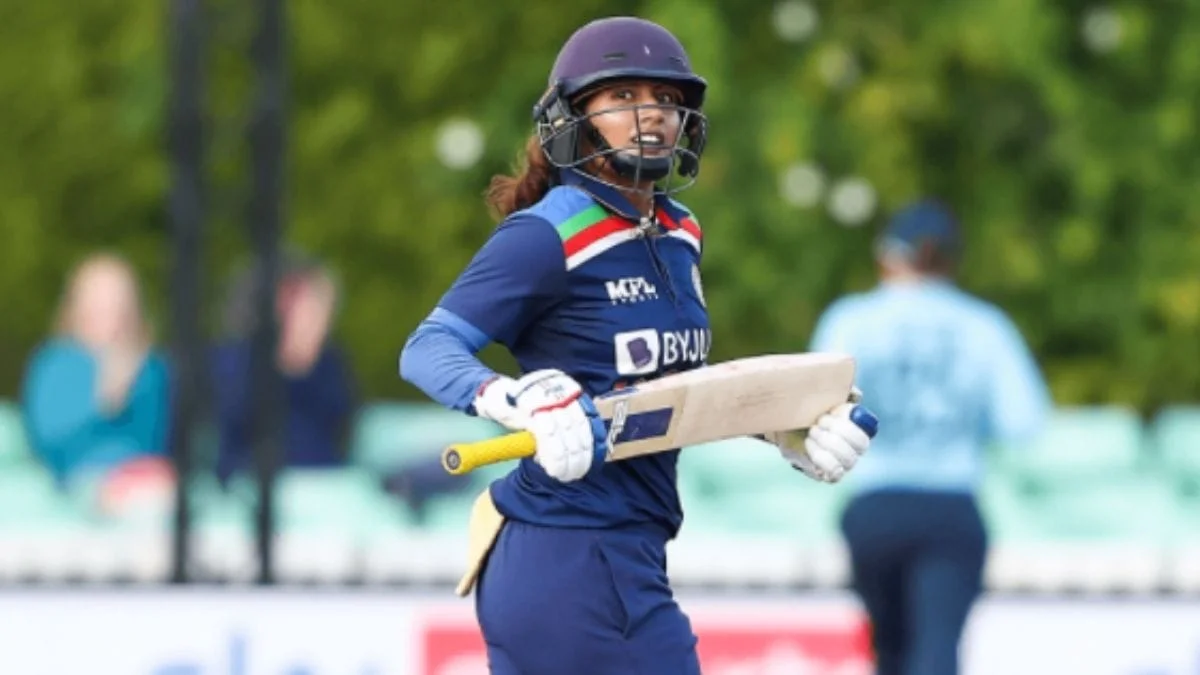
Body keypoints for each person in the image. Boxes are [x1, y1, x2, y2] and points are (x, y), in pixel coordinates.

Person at [400, 16, 878, 675]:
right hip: (565, 553)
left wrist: (782, 425)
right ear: (573, 117)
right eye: (623, 96)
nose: (651, 113)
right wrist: (513, 399)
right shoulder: (546, 234)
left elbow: (669, 385)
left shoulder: (681, 232)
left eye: (667, 98)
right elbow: (427, 346)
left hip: (627, 553)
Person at [808, 200, 1052, 675]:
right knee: (937, 652)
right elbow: (1022, 423)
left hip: (874, 506)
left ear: (887, 255)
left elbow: (811, 410)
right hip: (950, 507)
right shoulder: (984, 326)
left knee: (890, 654)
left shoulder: (851, 319)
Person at [20, 252, 172, 492]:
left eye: (117, 299)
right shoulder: (55, 363)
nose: (108, 309)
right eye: (99, 299)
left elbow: (161, 437)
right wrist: (105, 400)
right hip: (76, 485)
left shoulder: (151, 366)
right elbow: (46, 439)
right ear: (76, 305)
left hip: (146, 481)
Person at [211, 253, 358, 485]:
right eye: (316, 308)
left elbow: (340, 433)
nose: (326, 321)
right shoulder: (233, 363)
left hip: (326, 486)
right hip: (252, 487)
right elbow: (230, 435)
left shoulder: (330, 365)